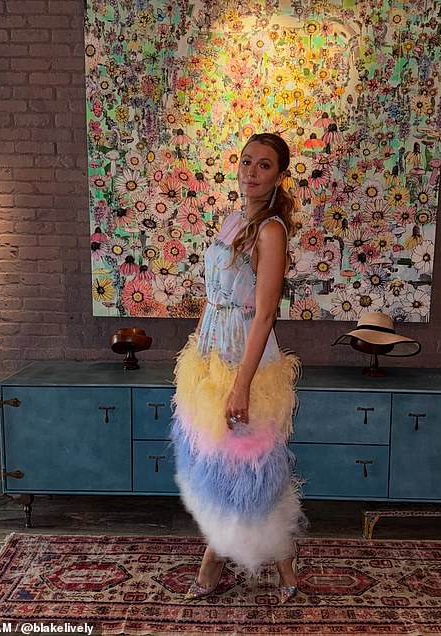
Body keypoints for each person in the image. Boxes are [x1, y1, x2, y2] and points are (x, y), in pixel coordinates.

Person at [171, 132, 305, 604]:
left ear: (279, 175)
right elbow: (218, 295)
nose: (251, 171)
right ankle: (285, 568)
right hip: (212, 356)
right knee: (225, 467)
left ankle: (217, 564)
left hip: (246, 363)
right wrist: (203, 354)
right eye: (247, 162)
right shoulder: (233, 220)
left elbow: (265, 314)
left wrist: (241, 385)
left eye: (264, 165)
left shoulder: (271, 230)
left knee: (250, 468)